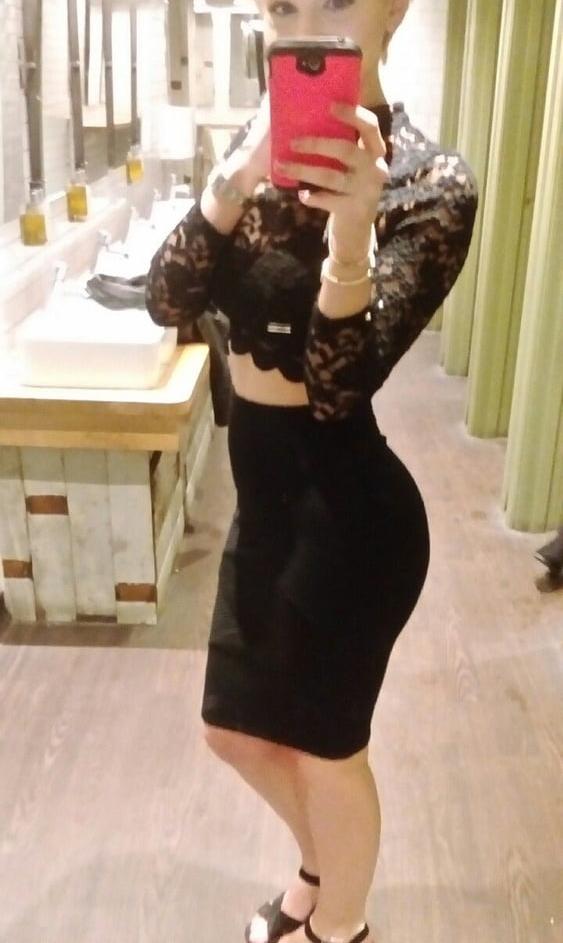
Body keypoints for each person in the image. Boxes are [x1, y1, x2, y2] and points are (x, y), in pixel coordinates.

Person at [145, 2, 478, 941]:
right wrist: (237, 173)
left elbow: (337, 388)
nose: (301, 23)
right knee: (232, 728)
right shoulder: (254, 162)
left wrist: (351, 232)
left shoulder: (430, 183)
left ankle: (341, 924)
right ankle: (321, 869)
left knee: (326, 749)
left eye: (331, 0)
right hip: (265, 505)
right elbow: (168, 298)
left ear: (392, 10)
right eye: (282, 7)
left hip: (350, 516)